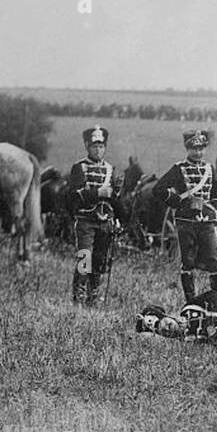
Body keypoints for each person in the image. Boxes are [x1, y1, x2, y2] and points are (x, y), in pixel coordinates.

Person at [155, 129, 217, 303]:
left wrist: (213, 206)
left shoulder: (209, 169)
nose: (198, 152)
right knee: (188, 263)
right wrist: (178, 201)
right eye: (194, 149)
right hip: (186, 221)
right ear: (187, 149)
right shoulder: (179, 169)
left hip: (207, 221)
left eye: (201, 148)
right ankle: (191, 302)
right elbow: (158, 189)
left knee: (215, 263)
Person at [66, 125, 122, 305]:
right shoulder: (79, 167)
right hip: (86, 221)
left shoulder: (110, 169)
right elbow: (74, 195)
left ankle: (93, 298)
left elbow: (115, 198)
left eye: (101, 146)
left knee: (99, 260)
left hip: (105, 222)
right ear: (87, 147)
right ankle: (78, 298)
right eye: (94, 146)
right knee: (85, 258)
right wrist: (98, 193)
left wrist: (118, 216)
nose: (98, 150)